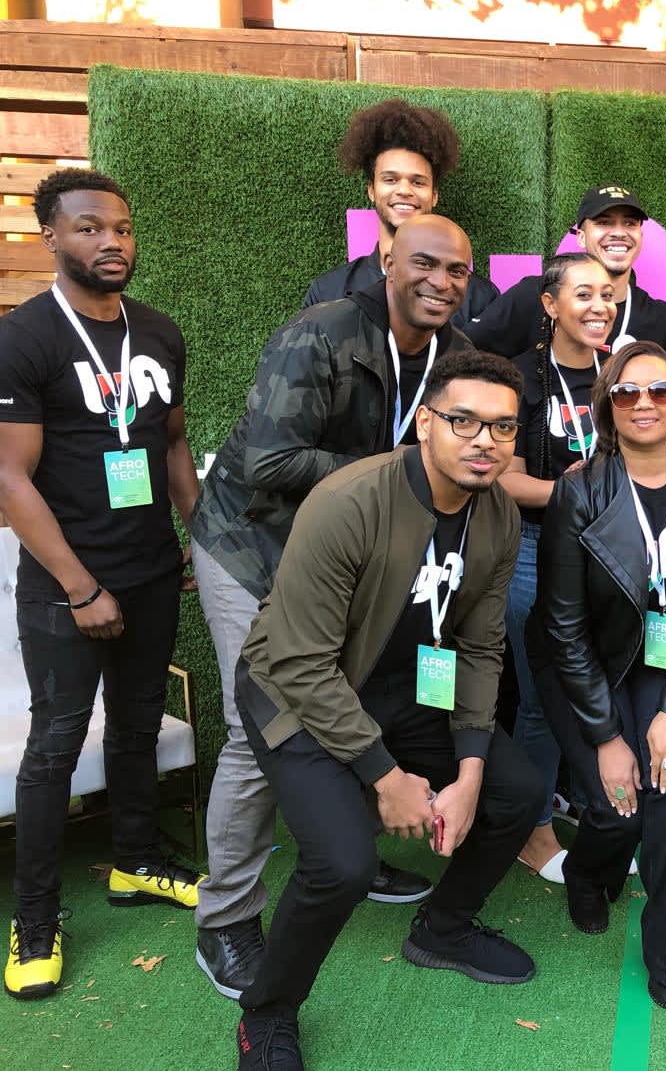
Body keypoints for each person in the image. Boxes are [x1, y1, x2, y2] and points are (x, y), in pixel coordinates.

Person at [189, 215, 481, 1000]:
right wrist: (394, 469)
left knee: (355, 698)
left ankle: (341, 841)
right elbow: (268, 459)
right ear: (388, 261)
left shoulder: (451, 359)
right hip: (253, 545)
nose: (440, 281)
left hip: (347, 559)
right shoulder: (319, 335)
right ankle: (224, 919)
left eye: (456, 270)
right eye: (424, 263)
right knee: (263, 724)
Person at [231, 350, 544, 1071]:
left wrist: (467, 770)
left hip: (409, 688)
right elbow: (302, 661)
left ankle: (443, 926)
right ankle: (268, 1012)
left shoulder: (496, 513)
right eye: (463, 420)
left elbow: (479, 644)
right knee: (342, 863)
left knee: (514, 791)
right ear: (425, 422)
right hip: (299, 692)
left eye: (502, 427)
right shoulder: (351, 500)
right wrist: (386, 776)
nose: (484, 440)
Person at [0, 168, 203, 999]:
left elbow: (171, 443)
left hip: (150, 574)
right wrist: (80, 588)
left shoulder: (157, 332)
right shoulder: (21, 341)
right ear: (50, 236)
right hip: (65, 590)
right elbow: (9, 481)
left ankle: (137, 859)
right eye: (87, 228)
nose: (110, 241)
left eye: (121, 228)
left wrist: (200, 543)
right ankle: (35, 918)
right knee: (53, 748)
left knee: (140, 725)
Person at [527, 340, 666, 1010]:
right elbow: (563, 626)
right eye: (626, 392)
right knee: (616, 804)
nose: (643, 402)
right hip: (583, 663)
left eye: (659, 390)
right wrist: (608, 735)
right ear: (608, 407)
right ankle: (592, 875)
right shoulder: (578, 490)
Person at [498, 251, 618, 882]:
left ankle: (591, 809)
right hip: (533, 552)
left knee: (597, 690)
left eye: (608, 294)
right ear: (550, 305)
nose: (601, 306)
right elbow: (503, 479)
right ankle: (532, 828)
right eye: (584, 294)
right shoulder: (517, 379)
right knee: (543, 698)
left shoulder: (621, 375)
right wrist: (576, 491)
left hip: (610, 556)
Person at [302, 99, 498, 326]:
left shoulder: (479, 298)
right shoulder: (330, 291)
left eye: (418, 182)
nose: (404, 190)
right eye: (390, 179)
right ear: (371, 189)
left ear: (434, 194)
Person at [470, 184, 666, 358]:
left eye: (630, 223)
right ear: (580, 237)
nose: (618, 232)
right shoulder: (534, 294)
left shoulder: (660, 319)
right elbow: (466, 347)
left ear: (640, 236)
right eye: (604, 222)